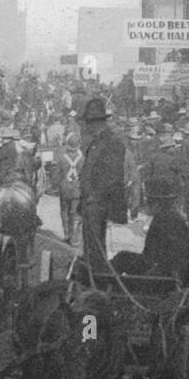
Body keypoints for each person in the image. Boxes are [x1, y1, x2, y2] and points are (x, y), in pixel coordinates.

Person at [77, 98, 127, 272]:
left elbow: (112, 176)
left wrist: (94, 196)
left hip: (100, 202)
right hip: (91, 202)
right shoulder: (97, 142)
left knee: (95, 244)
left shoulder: (112, 143)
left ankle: (98, 275)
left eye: (88, 123)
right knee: (91, 244)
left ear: (96, 122)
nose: (86, 126)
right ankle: (94, 272)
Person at [142, 180, 189, 286]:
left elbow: (170, 255)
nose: (145, 205)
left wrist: (155, 268)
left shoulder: (166, 219)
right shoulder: (166, 215)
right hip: (166, 266)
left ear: (156, 204)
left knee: (123, 259)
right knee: (124, 257)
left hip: (170, 272)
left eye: (148, 202)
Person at [53, 133, 84, 244]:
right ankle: (74, 237)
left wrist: (55, 186)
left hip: (64, 189)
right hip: (77, 189)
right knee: (75, 213)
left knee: (64, 212)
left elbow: (56, 176)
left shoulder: (61, 158)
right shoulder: (83, 159)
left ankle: (67, 235)